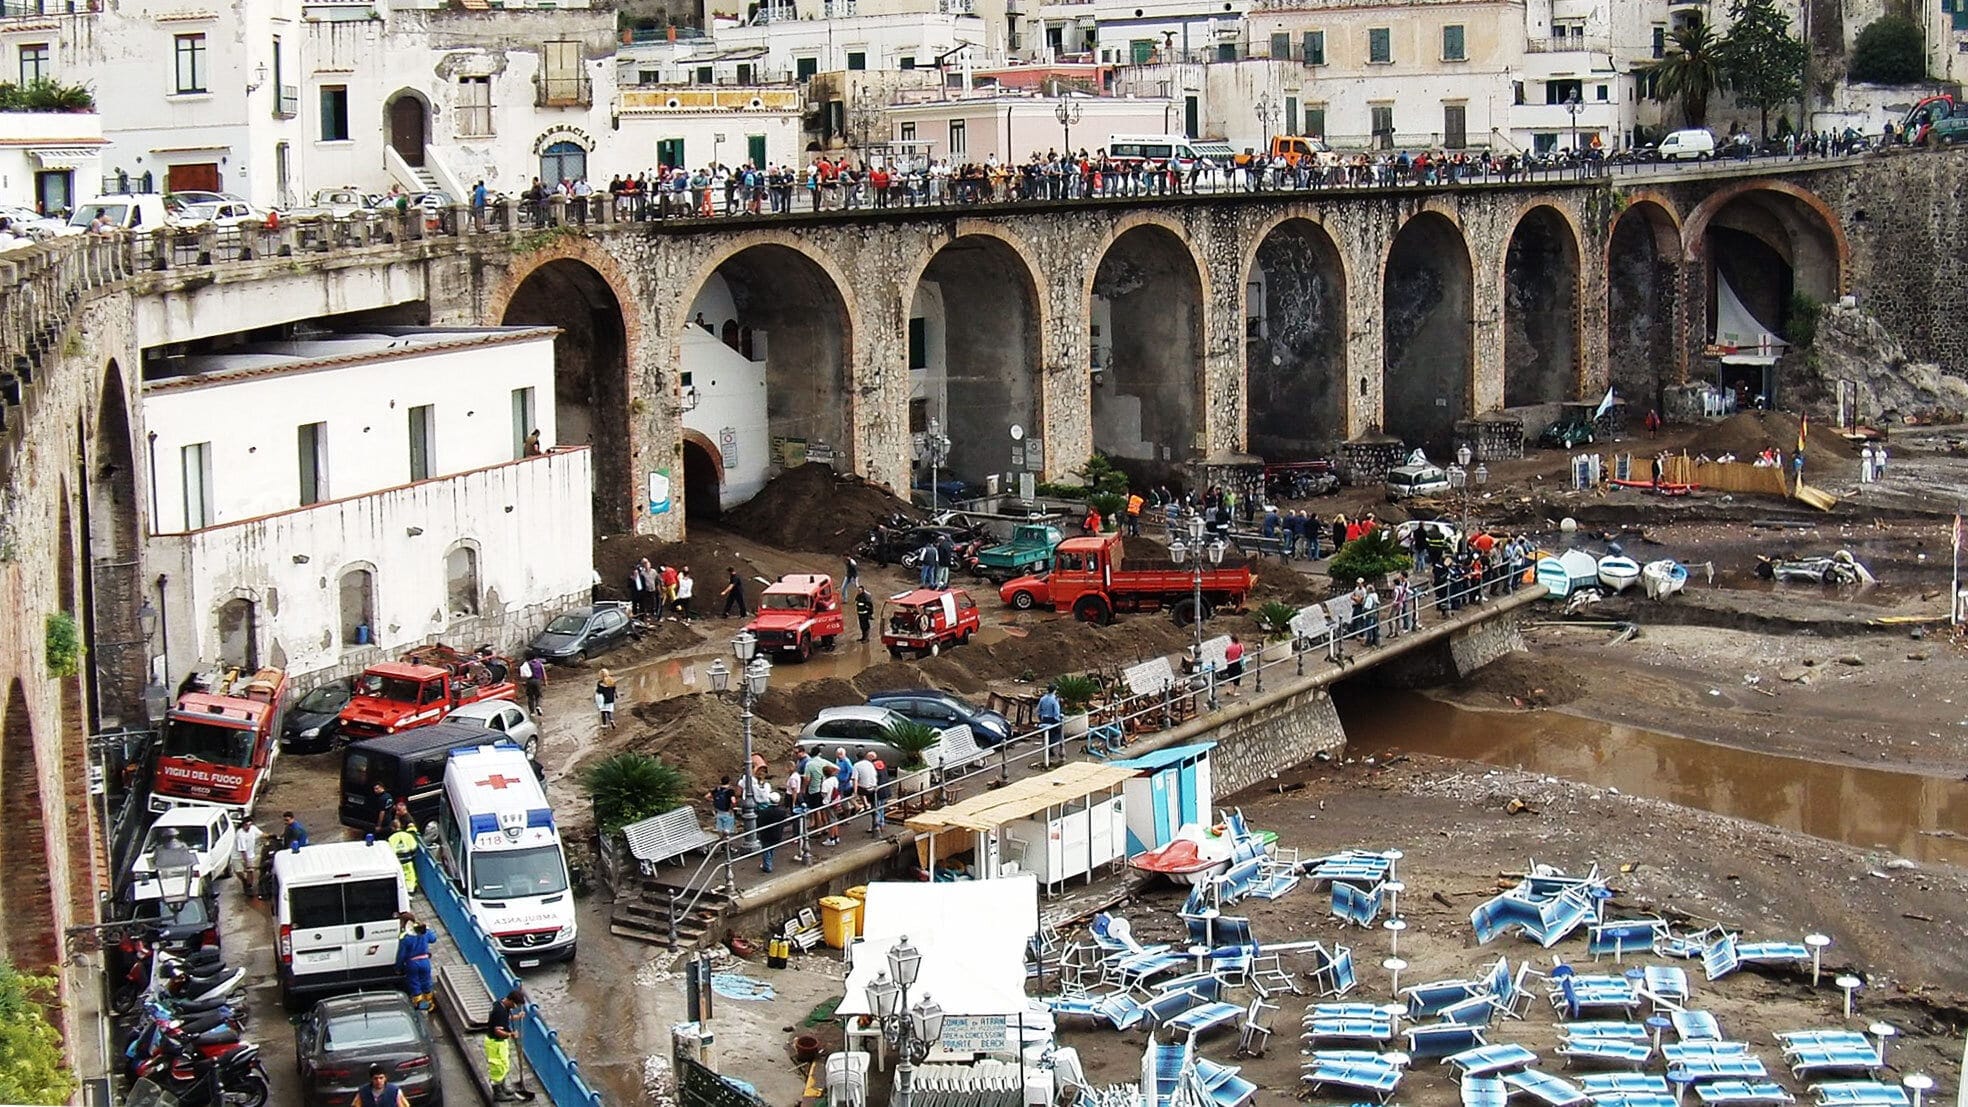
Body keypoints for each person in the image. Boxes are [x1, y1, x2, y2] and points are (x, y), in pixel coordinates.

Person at [486, 987, 525, 1100]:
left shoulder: (501, 1004)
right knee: (497, 1068)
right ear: (511, 1001)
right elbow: (497, 1031)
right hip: (494, 1043)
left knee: (504, 1064)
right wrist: (511, 1034)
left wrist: (517, 1017)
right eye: (516, 1004)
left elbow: (505, 1018)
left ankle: (503, 1087)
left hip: (500, 1042)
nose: (516, 1007)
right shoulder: (499, 1011)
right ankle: (497, 1093)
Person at [396, 918, 435, 1012]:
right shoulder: (425, 933)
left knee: (414, 983)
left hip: (412, 963)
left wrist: (398, 967)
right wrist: (428, 930)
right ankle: (430, 1003)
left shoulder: (405, 937)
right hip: (425, 961)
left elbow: (401, 954)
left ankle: (419, 1004)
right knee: (426, 982)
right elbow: (433, 939)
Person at [235, 815, 267, 900]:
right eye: (246, 825)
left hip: (250, 855)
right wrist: (246, 862)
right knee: (239, 872)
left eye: (249, 825)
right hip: (238, 856)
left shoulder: (253, 828)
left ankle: (249, 887)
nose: (248, 827)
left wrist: (270, 837)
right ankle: (244, 881)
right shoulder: (240, 834)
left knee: (250, 871)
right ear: (243, 825)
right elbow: (243, 850)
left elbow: (261, 834)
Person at [388, 819, 421, 895]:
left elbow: (390, 850)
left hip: (397, 862)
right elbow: (413, 846)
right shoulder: (408, 836)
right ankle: (410, 893)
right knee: (410, 876)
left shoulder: (391, 838)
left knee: (399, 878)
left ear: (392, 828)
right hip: (408, 861)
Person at [853, 751, 882, 834]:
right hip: (874, 787)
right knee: (875, 807)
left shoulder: (856, 765)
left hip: (865, 789)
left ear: (857, 757)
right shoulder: (870, 764)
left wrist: (855, 792)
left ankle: (863, 804)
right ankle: (876, 826)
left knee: (848, 791)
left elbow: (855, 779)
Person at [1037, 684, 1064, 764]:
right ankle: (1051, 748)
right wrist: (1059, 721)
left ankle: (1048, 748)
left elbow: (1038, 710)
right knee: (1057, 734)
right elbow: (1056, 712)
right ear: (1054, 690)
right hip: (1052, 719)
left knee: (1046, 736)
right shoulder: (1054, 700)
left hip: (1044, 719)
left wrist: (1040, 718)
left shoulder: (1043, 698)